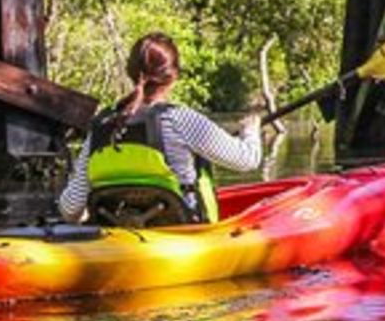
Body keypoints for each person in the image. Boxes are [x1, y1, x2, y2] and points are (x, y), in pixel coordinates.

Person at [58, 33, 262, 227]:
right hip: (183, 235)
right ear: (173, 77)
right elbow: (248, 159)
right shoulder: (179, 119)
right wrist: (250, 131)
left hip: (119, 234)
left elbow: (70, 208)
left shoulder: (101, 125)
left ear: (130, 73)